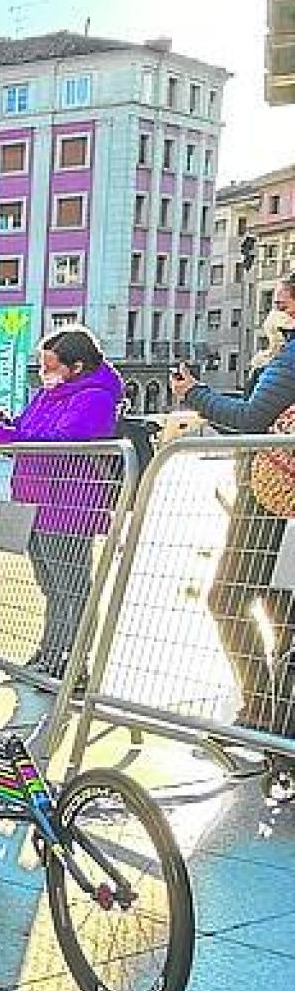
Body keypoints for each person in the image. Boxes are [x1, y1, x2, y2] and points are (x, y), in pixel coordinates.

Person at [175, 271, 295, 743]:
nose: (278, 308)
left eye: (284, 301)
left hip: (270, 497)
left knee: (227, 596)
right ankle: (280, 717)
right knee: (282, 605)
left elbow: (248, 419)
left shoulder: (290, 357)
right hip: (280, 500)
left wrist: (195, 395)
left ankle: (263, 708)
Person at [0, 325, 122, 678]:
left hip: (68, 507)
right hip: (34, 501)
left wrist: (6, 436)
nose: (43, 373)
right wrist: (4, 424)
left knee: (73, 589)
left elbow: (59, 440)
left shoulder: (95, 397)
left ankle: (74, 662)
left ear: (77, 366)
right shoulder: (48, 395)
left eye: (50, 366)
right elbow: (28, 428)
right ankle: (51, 654)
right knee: (50, 587)